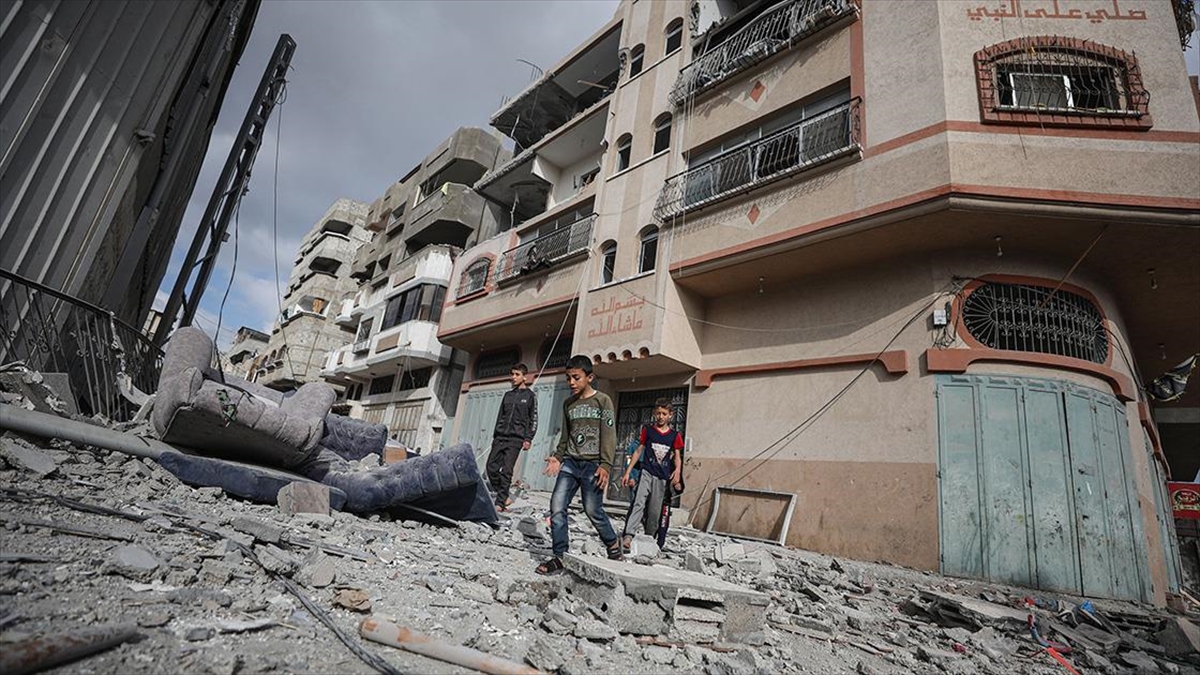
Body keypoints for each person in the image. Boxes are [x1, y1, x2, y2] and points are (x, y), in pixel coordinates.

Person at [536, 355, 622, 574]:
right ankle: (559, 556)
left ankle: (612, 544)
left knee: (593, 510)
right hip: (571, 463)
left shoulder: (603, 401)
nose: (571, 383)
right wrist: (557, 456)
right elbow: (566, 435)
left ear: (589, 377)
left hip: (593, 465)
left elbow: (609, 435)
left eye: (576, 377)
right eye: (568, 378)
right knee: (557, 506)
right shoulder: (568, 404)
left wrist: (606, 465)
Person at [619, 398, 683, 553]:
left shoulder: (674, 435)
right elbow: (638, 451)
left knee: (655, 511)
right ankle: (628, 535)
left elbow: (677, 455)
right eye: (658, 413)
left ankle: (649, 539)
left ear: (670, 416)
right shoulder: (648, 431)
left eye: (664, 414)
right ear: (655, 414)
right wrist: (628, 472)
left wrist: (677, 472)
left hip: (662, 477)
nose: (661, 416)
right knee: (639, 502)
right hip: (646, 473)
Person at [485, 364, 537, 513]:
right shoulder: (507, 395)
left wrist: (528, 438)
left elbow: (533, 419)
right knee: (491, 467)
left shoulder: (530, 396)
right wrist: (495, 435)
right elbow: (500, 416)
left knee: (507, 470)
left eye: (517, 374)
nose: (513, 377)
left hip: (516, 439)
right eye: (512, 374)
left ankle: (500, 503)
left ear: (524, 377)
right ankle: (504, 493)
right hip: (500, 437)